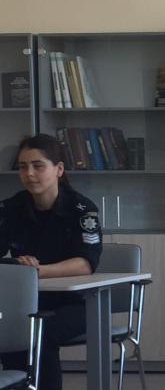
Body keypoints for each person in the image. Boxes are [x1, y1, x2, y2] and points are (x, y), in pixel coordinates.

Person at [0, 134, 102, 390]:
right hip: (27, 301)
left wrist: (35, 272)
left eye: (38, 166)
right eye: (23, 167)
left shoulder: (81, 209)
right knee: (9, 330)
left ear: (59, 169)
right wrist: (17, 268)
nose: (29, 173)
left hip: (77, 303)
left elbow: (85, 264)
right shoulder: (10, 209)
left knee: (39, 333)